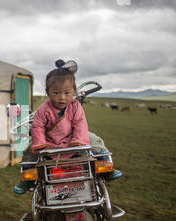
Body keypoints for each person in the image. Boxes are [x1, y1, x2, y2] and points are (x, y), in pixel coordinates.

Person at [13, 59, 122, 194]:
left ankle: (107, 168)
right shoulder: (43, 109)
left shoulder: (75, 106)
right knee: (29, 150)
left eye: (67, 93)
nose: (62, 98)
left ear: (73, 92)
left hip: (74, 139)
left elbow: (80, 123)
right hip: (49, 141)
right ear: (47, 92)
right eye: (56, 93)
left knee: (96, 141)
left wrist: (78, 141)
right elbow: (37, 127)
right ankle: (27, 179)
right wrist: (40, 143)